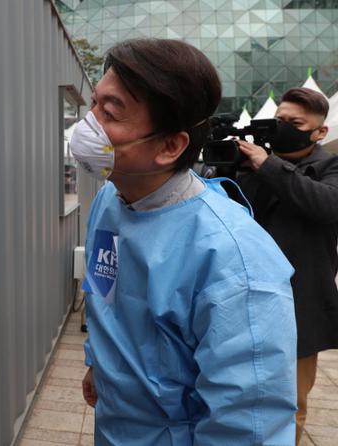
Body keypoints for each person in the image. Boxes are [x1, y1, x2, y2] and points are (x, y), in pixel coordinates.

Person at [71, 39, 297, 445]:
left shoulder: (236, 261)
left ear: (170, 146)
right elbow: (104, 291)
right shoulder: (111, 197)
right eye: (93, 104)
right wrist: (97, 363)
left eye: (110, 113)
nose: (90, 124)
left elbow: (248, 424)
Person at [236, 87, 338, 445]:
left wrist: (269, 165)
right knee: (234, 392)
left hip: (300, 304)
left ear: (319, 131)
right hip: (241, 296)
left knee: (289, 400)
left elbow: (328, 205)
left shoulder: (330, 166)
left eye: (294, 123)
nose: (283, 127)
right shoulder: (247, 162)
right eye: (279, 120)